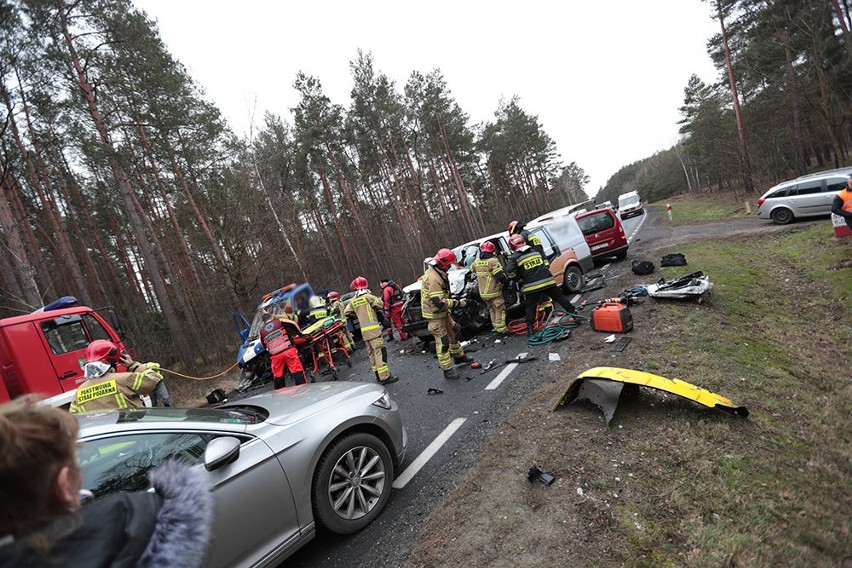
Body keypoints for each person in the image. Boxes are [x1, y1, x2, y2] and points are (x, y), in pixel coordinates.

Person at [0, 396, 213, 567]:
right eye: (76, 465)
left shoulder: (84, 388)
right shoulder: (142, 536)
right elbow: (151, 379)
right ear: (64, 487)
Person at [505, 233, 577, 338]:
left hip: (532, 286)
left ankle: (530, 329)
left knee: (530, 307)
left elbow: (509, 271)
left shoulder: (515, 257)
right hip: (548, 281)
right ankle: (574, 314)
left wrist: (517, 278)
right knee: (561, 298)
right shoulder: (534, 252)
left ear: (512, 246)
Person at [69, 340, 170, 414]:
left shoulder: (79, 393)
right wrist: (132, 365)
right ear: (112, 363)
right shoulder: (124, 380)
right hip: (133, 437)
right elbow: (154, 379)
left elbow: (73, 420)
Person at [420, 248, 474, 380]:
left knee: (454, 332)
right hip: (435, 315)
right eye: (449, 264)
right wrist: (457, 303)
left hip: (442, 312)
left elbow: (442, 296)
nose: (450, 267)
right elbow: (438, 302)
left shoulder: (438, 273)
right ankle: (447, 369)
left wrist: (452, 298)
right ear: (444, 264)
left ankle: (459, 356)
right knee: (443, 342)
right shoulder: (433, 278)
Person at [344, 277, 398, 385]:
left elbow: (346, 312)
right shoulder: (368, 297)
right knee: (380, 352)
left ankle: (378, 375)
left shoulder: (353, 301)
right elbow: (381, 304)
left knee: (372, 354)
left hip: (364, 332)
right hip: (374, 331)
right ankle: (385, 377)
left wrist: (358, 314)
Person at [259, 311, 309, 389]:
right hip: (288, 351)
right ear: (271, 317)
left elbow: (263, 345)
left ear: (264, 322)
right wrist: (300, 334)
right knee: (297, 371)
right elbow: (293, 324)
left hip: (276, 357)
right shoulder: (280, 322)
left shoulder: (261, 332)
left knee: (278, 377)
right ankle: (302, 390)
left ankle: (280, 396)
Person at [472, 241, 509, 334]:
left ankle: (496, 328)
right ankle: (502, 330)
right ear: (492, 251)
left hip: (483, 293)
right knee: (500, 309)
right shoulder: (493, 261)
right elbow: (500, 276)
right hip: (494, 292)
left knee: (492, 310)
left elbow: (472, 269)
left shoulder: (476, 262)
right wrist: (507, 281)